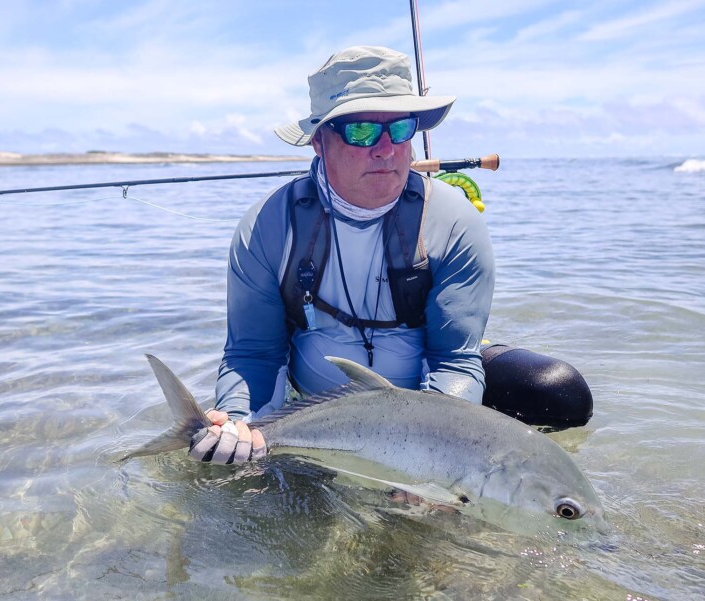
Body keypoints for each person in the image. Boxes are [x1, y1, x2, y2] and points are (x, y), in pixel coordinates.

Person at [189, 45, 591, 465]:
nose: (385, 148)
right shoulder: (267, 227)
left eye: (400, 129)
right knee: (234, 469)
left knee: (559, 392)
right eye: (361, 131)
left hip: (427, 401)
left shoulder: (454, 221)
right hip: (315, 407)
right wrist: (239, 423)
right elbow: (254, 352)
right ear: (318, 142)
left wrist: (434, 458)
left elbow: (453, 359)